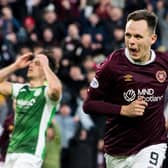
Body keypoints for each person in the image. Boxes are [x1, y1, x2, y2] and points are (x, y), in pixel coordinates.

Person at [83, 9, 168, 168]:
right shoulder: (113, 64)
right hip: (117, 150)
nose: (131, 42)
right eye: (128, 35)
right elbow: (89, 105)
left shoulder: (163, 63)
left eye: (137, 36)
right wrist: (123, 110)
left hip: (152, 145)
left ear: (153, 38)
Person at [0, 49, 62, 168]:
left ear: (45, 71)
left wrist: (45, 66)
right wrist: (15, 65)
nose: (31, 65)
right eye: (32, 62)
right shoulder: (21, 89)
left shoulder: (47, 94)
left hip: (30, 153)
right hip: (12, 151)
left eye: (37, 63)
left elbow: (56, 90)